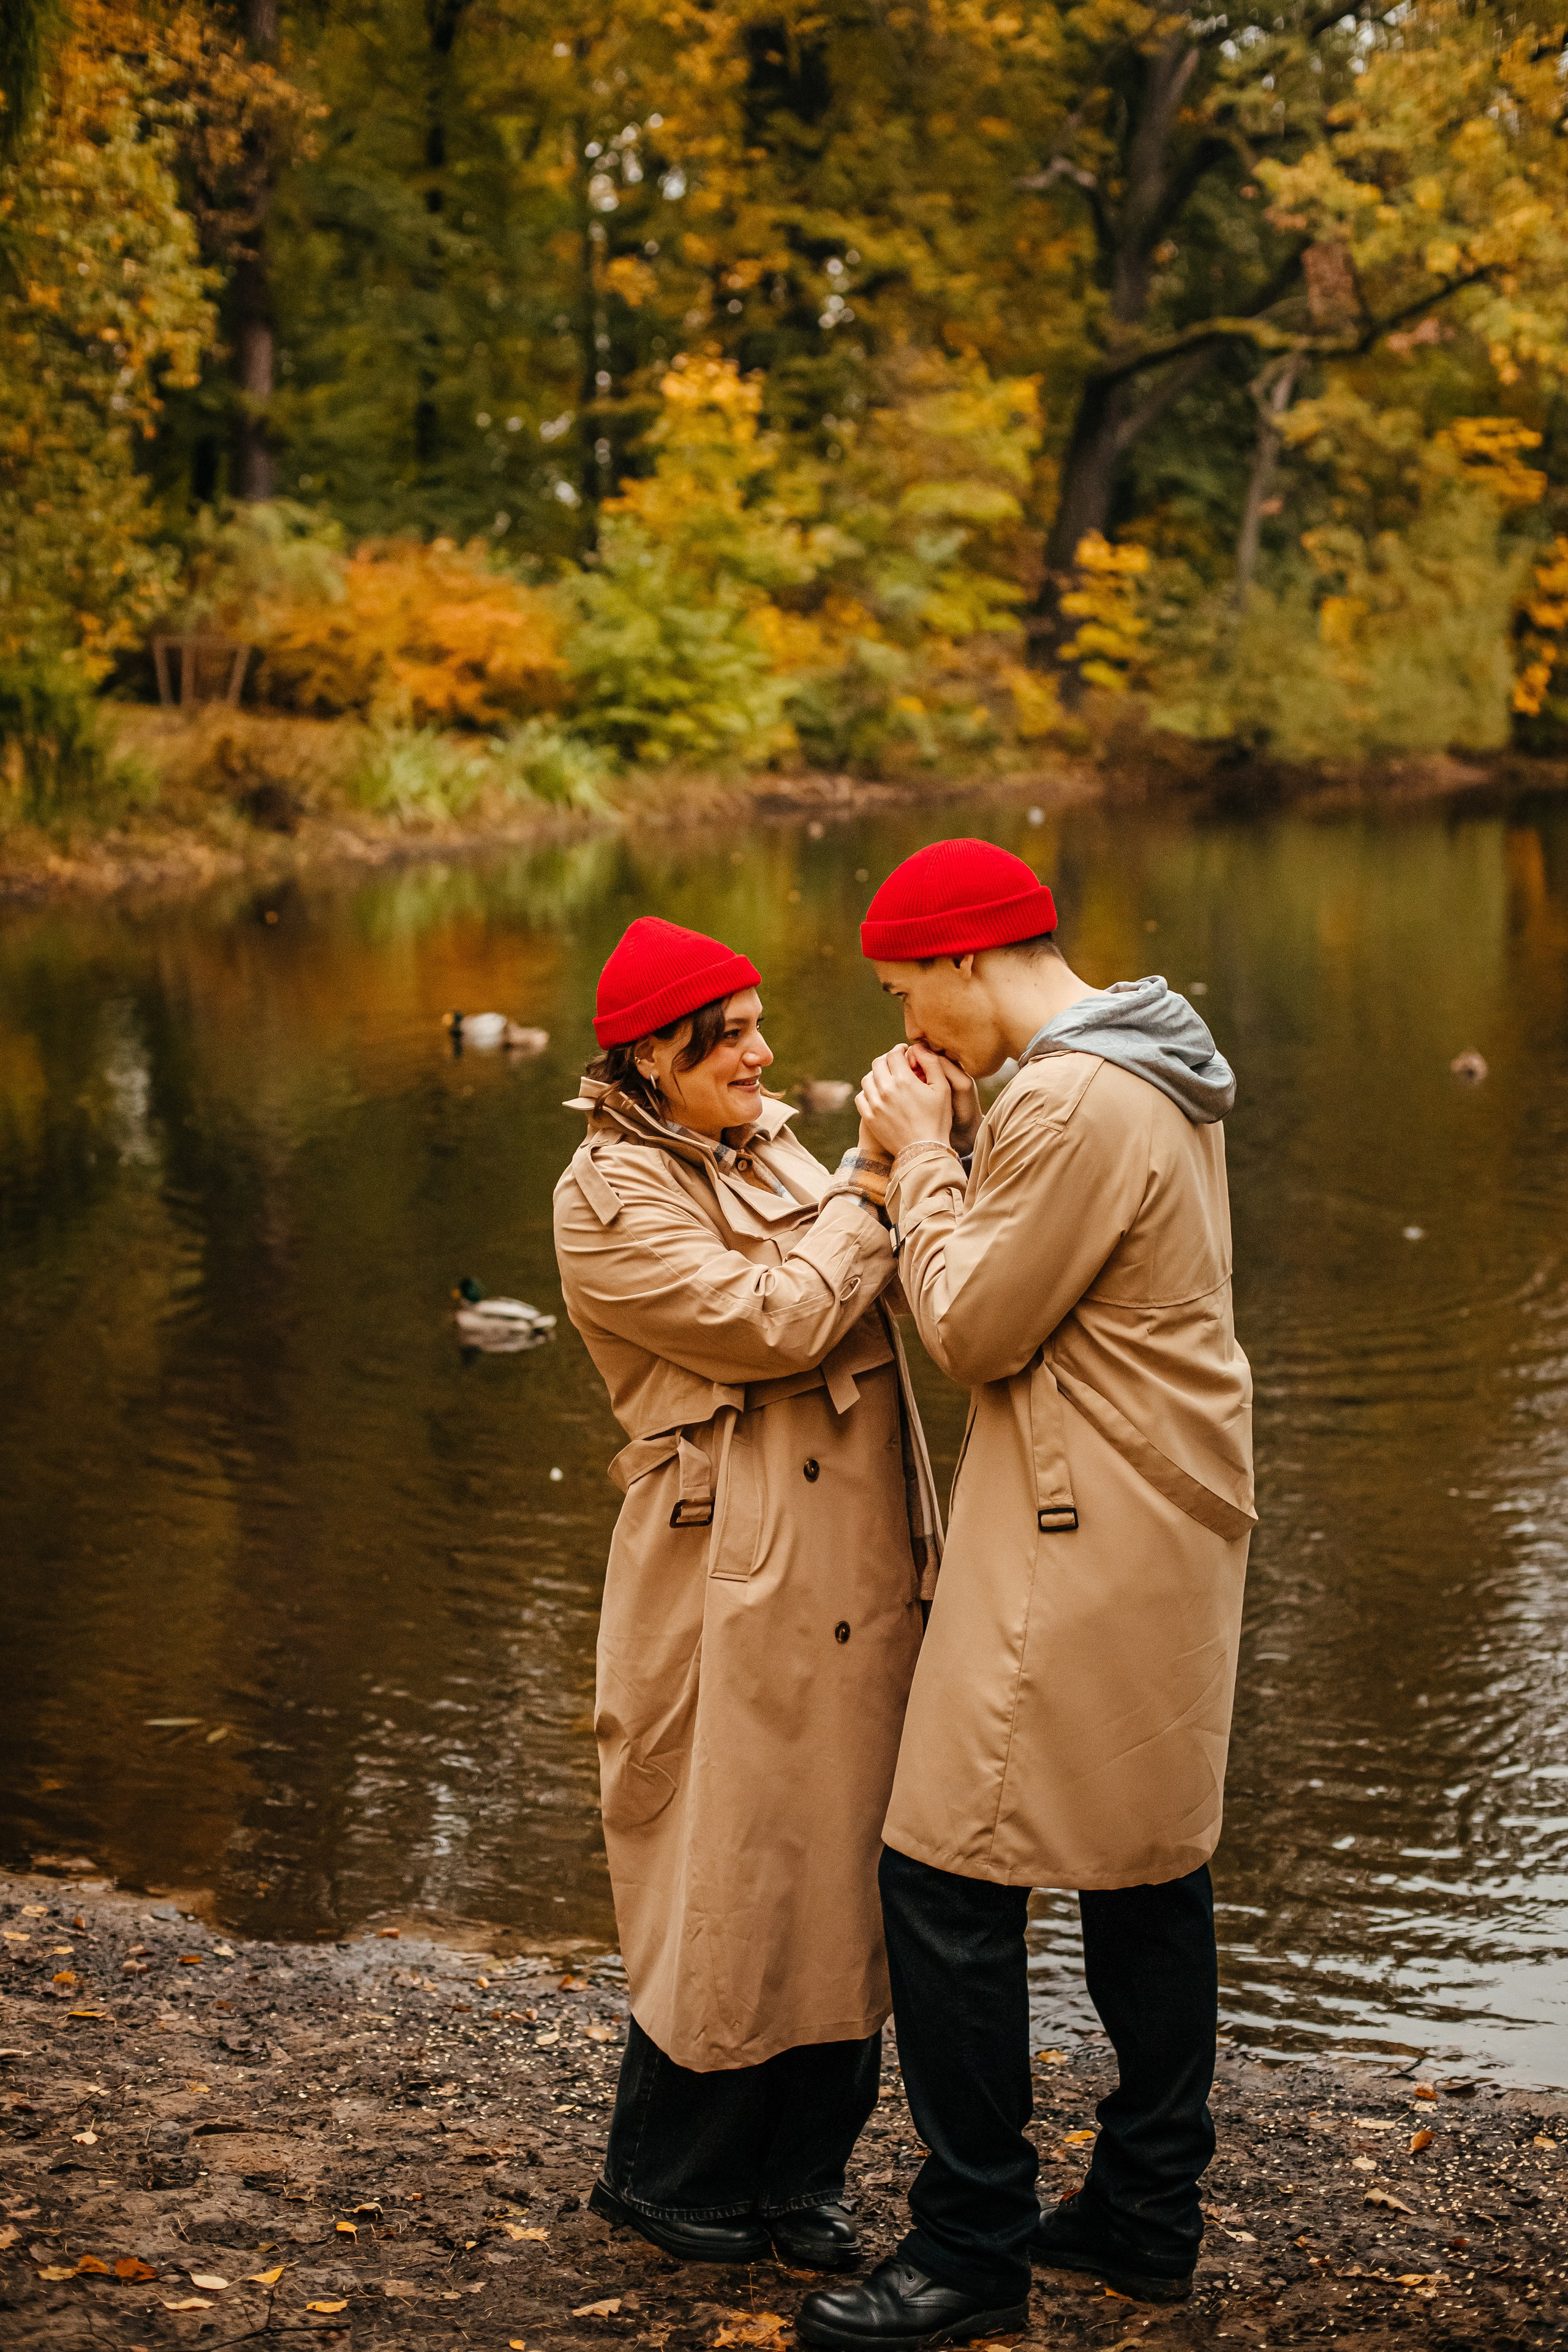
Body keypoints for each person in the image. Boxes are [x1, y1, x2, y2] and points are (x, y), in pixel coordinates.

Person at [799, 838, 1254, 2351]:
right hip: (1162, 1511)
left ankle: (971, 2242)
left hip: (1078, 1521)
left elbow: (975, 1327)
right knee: (1140, 1867)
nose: (907, 1036)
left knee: (939, 1870)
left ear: (964, 960)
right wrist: (956, 1139)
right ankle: (1143, 2215)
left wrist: (922, 1156)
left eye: (904, 997)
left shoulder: (1063, 1094)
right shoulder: (1149, 1072)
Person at [553, 914, 943, 2274]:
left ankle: (797, 2182)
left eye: (756, 1024)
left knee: (847, 1870)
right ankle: (667, 2178)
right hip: (735, 1565)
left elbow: (828, 1294)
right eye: (726, 1036)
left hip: (864, 1557)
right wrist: (868, 1200)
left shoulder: (767, 1136)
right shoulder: (604, 1193)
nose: (760, 1051)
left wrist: (867, 1205)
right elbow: (763, 1320)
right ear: (653, 1057)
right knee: (729, 1865)